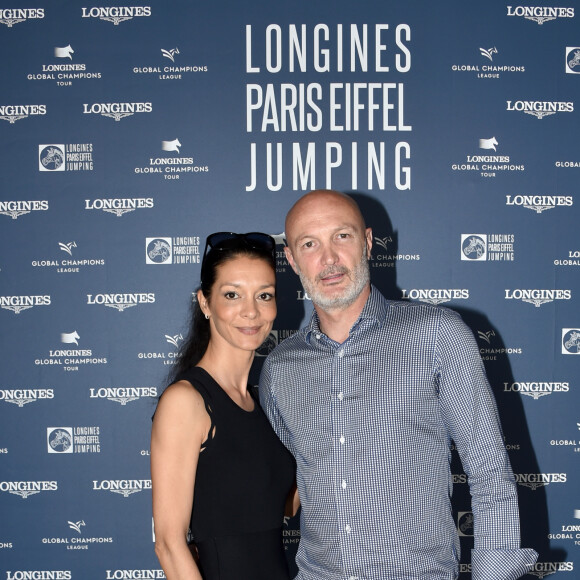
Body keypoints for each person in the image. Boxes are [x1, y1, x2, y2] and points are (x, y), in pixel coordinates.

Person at [259, 190, 538, 580]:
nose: (329, 259)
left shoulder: (437, 335)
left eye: (342, 236)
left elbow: (490, 473)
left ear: (368, 242)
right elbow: (289, 483)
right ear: (291, 259)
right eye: (309, 244)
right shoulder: (279, 368)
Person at [151, 232, 296, 580]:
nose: (251, 311)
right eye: (232, 295)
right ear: (205, 303)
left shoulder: (261, 403)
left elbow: (285, 507)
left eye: (265, 295)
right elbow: (169, 544)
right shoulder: (187, 401)